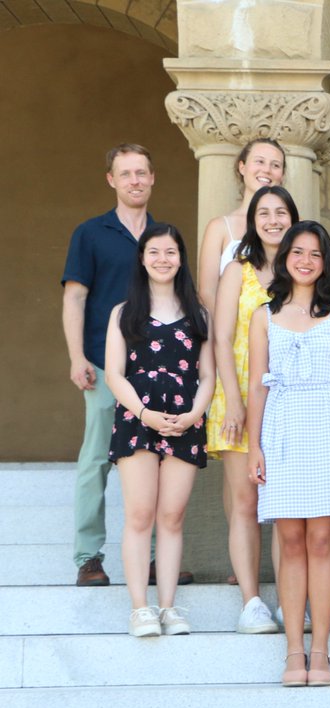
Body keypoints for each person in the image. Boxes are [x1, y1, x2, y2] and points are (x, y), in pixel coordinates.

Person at [62, 144, 193, 587]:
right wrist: (78, 356)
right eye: (126, 173)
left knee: (161, 459)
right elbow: (75, 297)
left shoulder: (163, 237)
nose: (134, 180)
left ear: (153, 178)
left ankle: (156, 558)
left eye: (142, 172)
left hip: (162, 375)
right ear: (111, 180)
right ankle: (88, 556)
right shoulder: (90, 233)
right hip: (106, 368)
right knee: (97, 459)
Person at [246, 221, 330, 687]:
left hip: (327, 424)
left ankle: (321, 649)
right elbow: (258, 383)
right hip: (282, 428)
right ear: (285, 258)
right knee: (291, 541)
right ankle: (294, 650)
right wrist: (254, 445)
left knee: (322, 542)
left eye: (315, 254)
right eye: (298, 252)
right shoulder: (263, 315)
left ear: (326, 261)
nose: (306, 261)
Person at [105, 224, 214, 636]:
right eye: (154, 252)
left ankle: (168, 607)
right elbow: (115, 374)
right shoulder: (123, 311)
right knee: (139, 514)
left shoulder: (198, 312)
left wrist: (193, 415)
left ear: (180, 258)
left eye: (170, 252)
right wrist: (144, 412)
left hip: (185, 421)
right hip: (138, 419)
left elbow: (208, 376)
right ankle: (140, 608)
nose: (163, 259)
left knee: (172, 516)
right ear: (142, 258)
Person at [209, 185, 299, 634]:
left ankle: (287, 599)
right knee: (245, 502)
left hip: (290, 403)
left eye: (281, 212)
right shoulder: (236, 271)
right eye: (264, 212)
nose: (272, 220)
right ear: (253, 220)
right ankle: (251, 601)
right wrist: (235, 401)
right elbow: (221, 339)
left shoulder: (303, 270)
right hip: (238, 400)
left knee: (283, 505)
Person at [197, 138, 286, 311]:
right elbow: (207, 292)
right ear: (242, 167)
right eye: (259, 161)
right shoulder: (220, 227)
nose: (267, 170)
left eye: (275, 165)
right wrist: (222, 334)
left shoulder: (288, 225)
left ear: (281, 175)